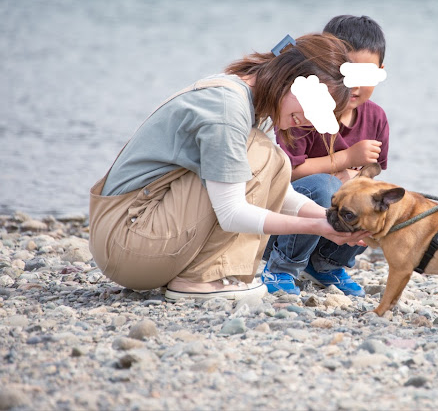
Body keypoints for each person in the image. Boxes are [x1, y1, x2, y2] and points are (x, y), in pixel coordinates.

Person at [88, 33, 369, 302]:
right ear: (291, 78)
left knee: (271, 160)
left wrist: (330, 220)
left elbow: (269, 189)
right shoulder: (228, 109)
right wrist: (316, 227)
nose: (312, 121)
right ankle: (198, 279)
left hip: (131, 238)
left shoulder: (240, 96)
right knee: (265, 154)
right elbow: (232, 211)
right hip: (129, 243)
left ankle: (197, 274)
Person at [262, 15, 389, 296]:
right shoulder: (303, 110)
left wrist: (356, 178)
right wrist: (344, 160)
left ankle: (327, 264)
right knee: (324, 186)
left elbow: (373, 173)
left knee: (376, 198)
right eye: (346, 73)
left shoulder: (376, 118)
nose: (354, 86)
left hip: (329, 221)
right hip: (285, 221)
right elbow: (288, 172)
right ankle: (281, 266)